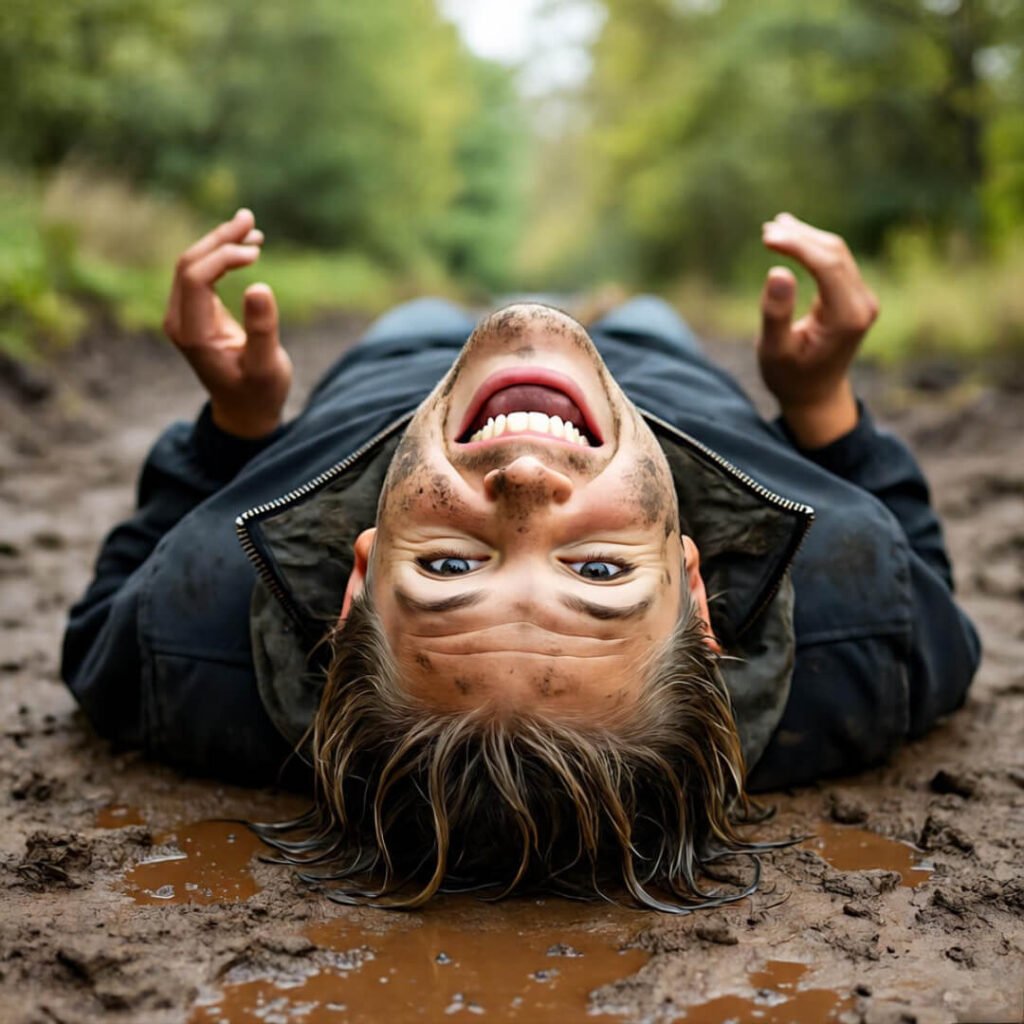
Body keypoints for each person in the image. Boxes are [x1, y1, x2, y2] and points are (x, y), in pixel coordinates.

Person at [62, 210, 980, 910]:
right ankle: (621, 314)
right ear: (698, 596)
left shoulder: (186, 640)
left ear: (355, 591)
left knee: (418, 312)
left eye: (452, 569)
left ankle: (468, 317)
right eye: (601, 574)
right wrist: (822, 405)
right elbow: (921, 563)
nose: (528, 482)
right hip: (673, 381)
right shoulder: (864, 627)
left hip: (400, 366)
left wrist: (236, 430)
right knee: (653, 314)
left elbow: (106, 608)